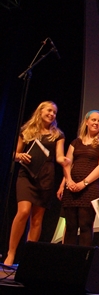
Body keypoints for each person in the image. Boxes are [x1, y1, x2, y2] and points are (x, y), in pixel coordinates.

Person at [4, 101, 69, 266]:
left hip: (46, 177)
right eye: (49, 111)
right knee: (23, 211)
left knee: (37, 219)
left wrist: (65, 161)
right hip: (26, 175)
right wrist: (19, 156)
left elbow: (59, 156)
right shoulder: (26, 131)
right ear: (40, 111)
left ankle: (28, 258)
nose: (52, 114)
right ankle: (11, 253)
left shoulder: (58, 135)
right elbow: (14, 153)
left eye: (54, 112)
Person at [58, 110, 99, 247]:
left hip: (90, 188)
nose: (96, 123)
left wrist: (83, 183)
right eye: (93, 120)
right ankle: (67, 257)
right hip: (71, 187)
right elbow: (67, 163)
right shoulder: (75, 142)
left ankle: (83, 258)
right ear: (86, 122)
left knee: (85, 225)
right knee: (70, 226)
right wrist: (67, 182)